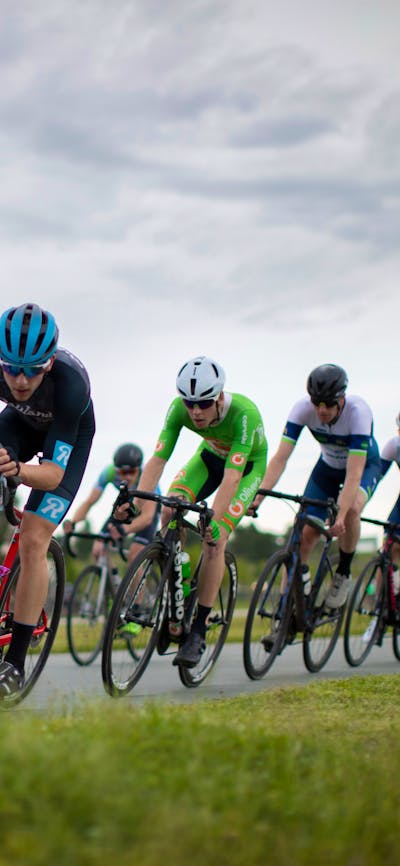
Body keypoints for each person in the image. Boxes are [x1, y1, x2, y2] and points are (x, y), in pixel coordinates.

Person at [114, 355, 268, 668]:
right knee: (170, 508)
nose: (196, 412)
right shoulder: (177, 410)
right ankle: (178, 595)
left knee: (215, 538)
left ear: (220, 397)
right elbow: (158, 460)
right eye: (189, 403)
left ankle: (198, 629)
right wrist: (138, 505)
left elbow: (232, 477)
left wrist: (216, 518)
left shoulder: (244, 415)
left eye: (204, 404)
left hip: (245, 468)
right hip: (209, 458)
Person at [0, 302, 95, 698]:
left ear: (50, 362)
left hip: (65, 440)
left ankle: (15, 664)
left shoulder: (71, 387)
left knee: (35, 538)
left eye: (33, 370)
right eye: (10, 368)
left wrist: (17, 470)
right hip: (17, 425)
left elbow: (54, 474)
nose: (20, 380)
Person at [253, 364, 381, 610]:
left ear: (341, 399)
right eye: (317, 403)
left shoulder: (359, 413)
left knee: (352, 508)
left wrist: (341, 517)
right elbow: (280, 458)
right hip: (327, 469)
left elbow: (354, 475)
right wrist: (259, 496)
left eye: (328, 404)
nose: (321, 410)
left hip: (364, 468)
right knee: (304, 535)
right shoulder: (302, 409)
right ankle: (289, 605)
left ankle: (343, 571)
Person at [63, 442, 160, 564]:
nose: (128, 477)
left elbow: (147, 517)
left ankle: (138, 583)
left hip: (147, 505)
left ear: (139, 469)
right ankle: (111, 578)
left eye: (132, 472)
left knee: (134, 555)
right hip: (126, 502)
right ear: (117, 470)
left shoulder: (147, 475)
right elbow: (89, 502)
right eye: (123, 473)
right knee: (98, 550)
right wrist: (73, 522)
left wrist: (124, 530)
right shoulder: (108, 473)